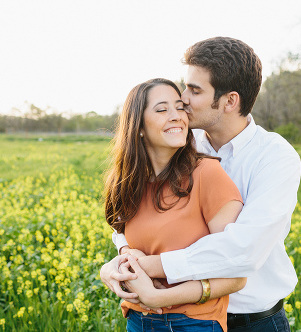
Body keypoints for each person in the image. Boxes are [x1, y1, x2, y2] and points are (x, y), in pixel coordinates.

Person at [100, 37, 301, 332]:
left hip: (252, 321)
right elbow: (137, 218)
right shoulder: (180, 146)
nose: (183, 98)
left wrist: (150, 267)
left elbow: (242, 251)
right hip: (183, 316)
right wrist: (122, 255)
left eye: (194, 90)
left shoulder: (275, 157)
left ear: (229, 101)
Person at [105, 78, 247, 331]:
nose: (176, 116)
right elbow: (124, 241)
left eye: (180, 107)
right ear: (138, 126)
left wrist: (159, 297)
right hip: (137, 320)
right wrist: (118, 262)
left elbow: (236, 273)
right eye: (162, 110)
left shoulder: (206, 174)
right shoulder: (127, 182)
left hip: (193, 323)